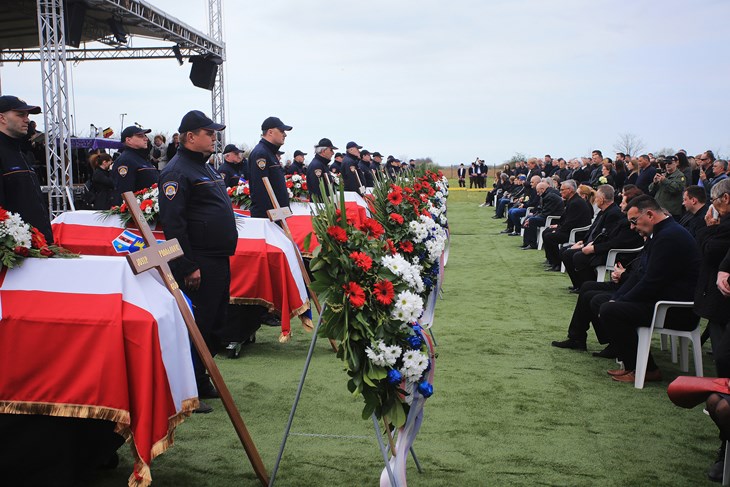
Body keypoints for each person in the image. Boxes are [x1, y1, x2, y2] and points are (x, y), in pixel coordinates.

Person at [158, 110, 237, 413]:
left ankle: (201, 379)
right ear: (191, 137)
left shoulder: (204, 168)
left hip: (217, 257)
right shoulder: (178, 171)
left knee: (216, 322)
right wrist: (187, 264)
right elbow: (173, 223)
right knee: (199, 325)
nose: (215, 138)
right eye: (210, 133)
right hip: (199, 260)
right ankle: (187, 390)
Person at [602, 195, 701, 383]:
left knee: (610, 310)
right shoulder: (661, 233)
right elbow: (641, 275)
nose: (632, 227)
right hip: (662, 301)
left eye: (634, 221)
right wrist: (618, 297)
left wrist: (620, 301)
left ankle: (647, 369)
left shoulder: (669, 236)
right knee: (605, 303)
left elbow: (652, 282)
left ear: (649, 215)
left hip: (675, 309)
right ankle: (631, 363)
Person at [0, 95, 53, 243]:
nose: (27, 120)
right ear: (2, 118)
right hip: (16, 254)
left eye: (27, 115)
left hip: (36, 248)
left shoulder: (21, 154)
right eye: (20, 115)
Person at [560, 185, 625, 290]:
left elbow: (607, 237)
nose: (594, 199)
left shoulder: (614, 213)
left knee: (574, 255)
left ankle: (586, 285)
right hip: (590, 244)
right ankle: (578, 284)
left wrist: (589, 246)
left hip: (601, 249)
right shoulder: (603, 211)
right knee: (565, 251)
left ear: (602, 199)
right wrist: (582, 242)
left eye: (597, 197)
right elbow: (592, 230)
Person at [542, 180, 593, 269]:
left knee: (549, 236)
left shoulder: (575, 202)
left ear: (569, 190)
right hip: (571, 229)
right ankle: (551, 259)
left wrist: (558, 229)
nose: (560, 192)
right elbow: (567, 219)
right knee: (546, 232)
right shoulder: (572, 200)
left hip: (577, 233)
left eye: (562, 190)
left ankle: (557, 263)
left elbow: (571, 223)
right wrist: (558, 226)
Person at [248, 116, 292, 218]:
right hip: (268, 216)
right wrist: (273, 215)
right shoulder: (261, 153)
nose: (285, 134)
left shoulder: (269, 152)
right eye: (281, 131)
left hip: (276, 213)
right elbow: (260, 189)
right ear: (270, 132)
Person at [111, 125, 158, 206]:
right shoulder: (125, 161)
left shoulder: (142, 158)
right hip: (139, 213)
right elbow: (125, 194)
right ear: (128, 140)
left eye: (145, 136)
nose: (146, 138)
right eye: (140, 136)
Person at [520, 181, 563, 250]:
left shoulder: (550, 196)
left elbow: (546, 212)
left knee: (531, 220)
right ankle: (527, 243)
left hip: (552, 219)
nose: (537, 193)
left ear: (542, 189)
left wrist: (534, 217)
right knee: (530, 218)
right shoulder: (546, 195)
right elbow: (542, 210)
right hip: (548, 216)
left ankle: (532, 244)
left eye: (538, 191)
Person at [649, 155, 686, 219]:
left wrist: (665, 181)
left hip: (671, 211)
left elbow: (676, 189)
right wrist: (655, 183)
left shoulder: (680, 176)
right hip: (659, 209)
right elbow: (651, 190)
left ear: (676, 163)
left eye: (670, 163)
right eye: (666, 163)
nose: (667, 165)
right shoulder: (664, 175)